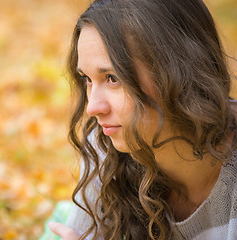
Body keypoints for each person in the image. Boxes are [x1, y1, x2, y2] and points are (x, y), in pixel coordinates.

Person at [47, 0, 237, 239]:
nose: (93, 108)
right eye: (87, 79)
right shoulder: (106, 146)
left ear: (179, 72)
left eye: (113, 78)